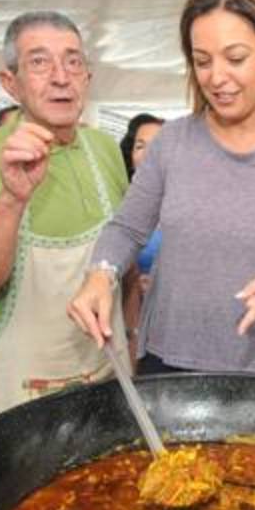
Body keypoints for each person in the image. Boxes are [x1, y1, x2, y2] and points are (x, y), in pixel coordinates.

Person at [68, 0, 255, 379]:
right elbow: (127, 229)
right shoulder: (172, 143)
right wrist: (101, 274)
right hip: (169, 363)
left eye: (236, 59)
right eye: (202, 61)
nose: (216, 77)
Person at [0, 11, 133, 423]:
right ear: (10, 83)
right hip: (19, 394)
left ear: (87, 76)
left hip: (107, 373)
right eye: (39, 62)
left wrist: (132, 348)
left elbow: (124, 262)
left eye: (73, 61)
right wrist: (12, 199)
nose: (60, 77)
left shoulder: (105, 149)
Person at [118, 112, 166, 352]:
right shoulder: (118, 205)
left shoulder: (190, 205)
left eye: (158, 146)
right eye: (140, 146)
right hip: (129, 319)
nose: (148, 153)